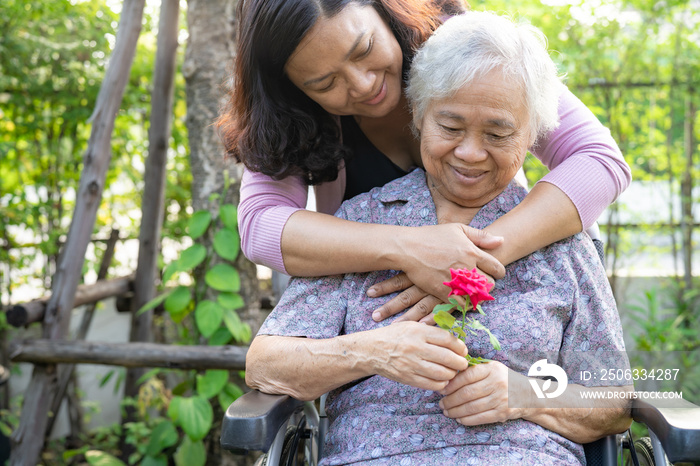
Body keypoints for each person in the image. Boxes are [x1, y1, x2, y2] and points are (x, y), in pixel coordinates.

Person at [245, 11, 632, 465]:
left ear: (532, 135)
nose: (469, 152)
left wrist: (528, 395)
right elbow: (265, 361)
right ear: (420, 116)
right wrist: (373, 351)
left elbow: (615, 402)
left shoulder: (562, 241)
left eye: (497, 132)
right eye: (450, 128)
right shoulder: (357, 223)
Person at [217, 0, 631, 321]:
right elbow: (260, 225)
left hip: (508, 301)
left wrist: (471, 265)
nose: (362, 84)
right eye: (325, 83)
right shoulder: (291, 117)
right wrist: (409, 248)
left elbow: (598, 160)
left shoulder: (468, 50)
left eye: (364, 49)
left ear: (384, 9)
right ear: (293, 90)